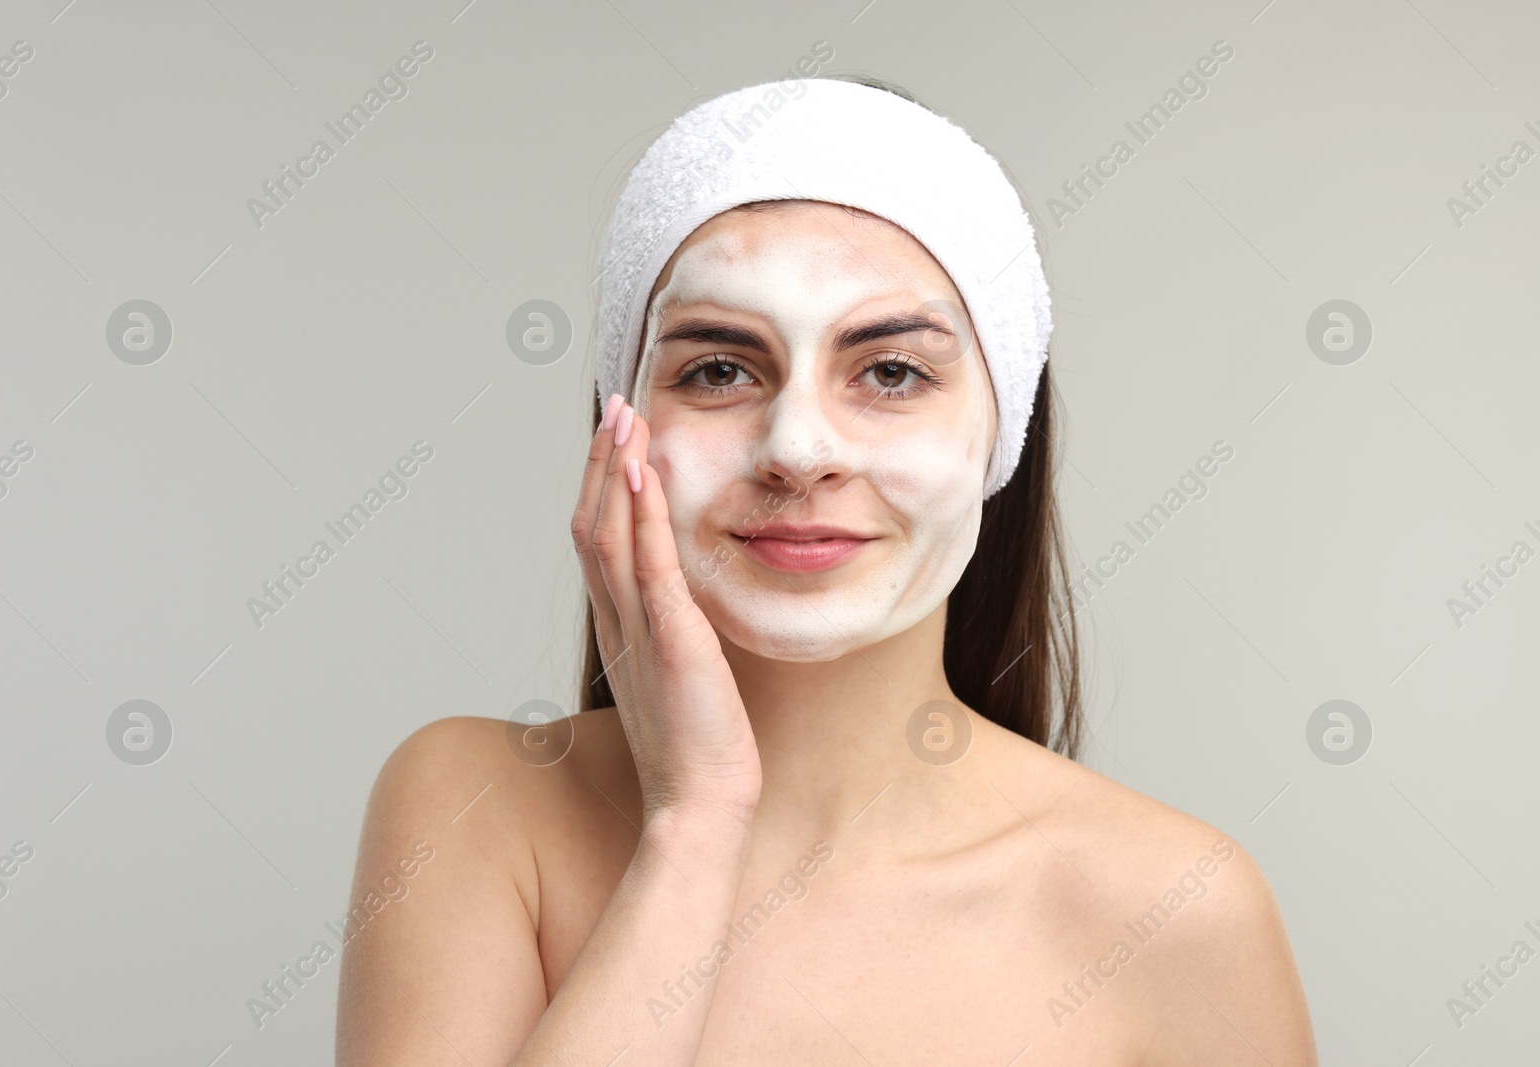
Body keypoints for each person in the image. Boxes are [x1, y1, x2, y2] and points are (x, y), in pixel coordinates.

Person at [336, 74, 1316, 1065]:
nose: (797, 449)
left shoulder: (1175, 911)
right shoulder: (475, 807)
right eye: (719, 368)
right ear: (620, 424)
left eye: (891, 370)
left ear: (998, 434)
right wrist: (695, 826)